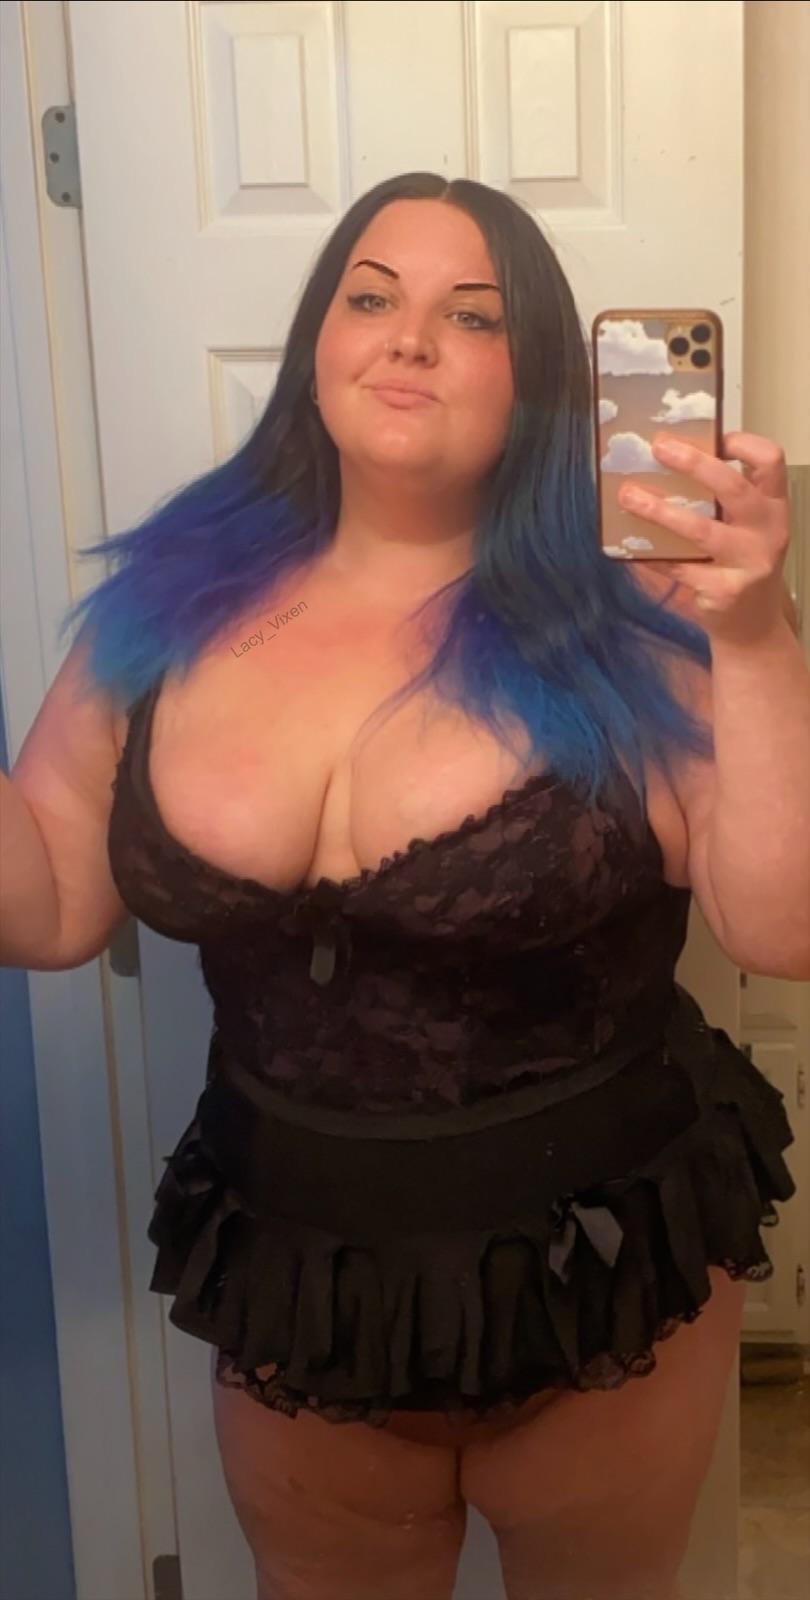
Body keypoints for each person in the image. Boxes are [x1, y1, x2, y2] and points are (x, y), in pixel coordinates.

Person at [1, 172, 805, 1600]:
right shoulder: (168, 605)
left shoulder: (640, 618)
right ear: (319, 340)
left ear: (541, 372)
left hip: (592, 1260)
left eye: (471, 315)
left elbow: (780, 928)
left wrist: (753, 636)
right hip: (297, 1271)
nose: (408, 336)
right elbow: (54, 904)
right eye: (368, 295)